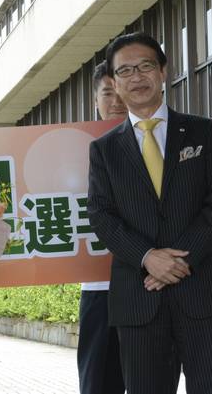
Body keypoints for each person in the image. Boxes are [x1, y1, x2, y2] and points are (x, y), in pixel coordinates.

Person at [88, 32, 212, 394]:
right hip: (139, 298)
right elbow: (102, 215)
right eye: (125, 70)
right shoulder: (104, 150)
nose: (136, 77)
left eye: (145, 66)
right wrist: (147, 258)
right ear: (114, 82)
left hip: (201, 289)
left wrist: (175, 262)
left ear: (163, 71)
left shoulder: (203, 131)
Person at [77, 61, 127, 394]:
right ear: (96, 100)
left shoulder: (163, 137)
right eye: (107, 92)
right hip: (97, 288)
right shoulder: (75, 144)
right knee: (97, 382)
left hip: (149, 284)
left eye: (119, 90)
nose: (116, 100)